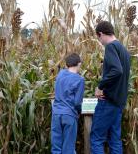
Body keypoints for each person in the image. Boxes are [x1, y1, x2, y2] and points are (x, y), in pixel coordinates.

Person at [90, 21, 130, 154]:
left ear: (100, 34)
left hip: (108, 102)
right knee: (115, 139)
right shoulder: (123, 50)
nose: (100, 42)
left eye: (98, 38)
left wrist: (100, 86)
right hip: (119, 102)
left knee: (96, 138)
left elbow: (117, 70)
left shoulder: (111, 47)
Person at [51, 53, 85, 154]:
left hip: (56, 113)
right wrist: (79, 111)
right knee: (68, 148)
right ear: (79, 64)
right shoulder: (80, 80)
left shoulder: (60, 74)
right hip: (69, 115)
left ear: (67, 64)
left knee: (56, 147)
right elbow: (77, 102)